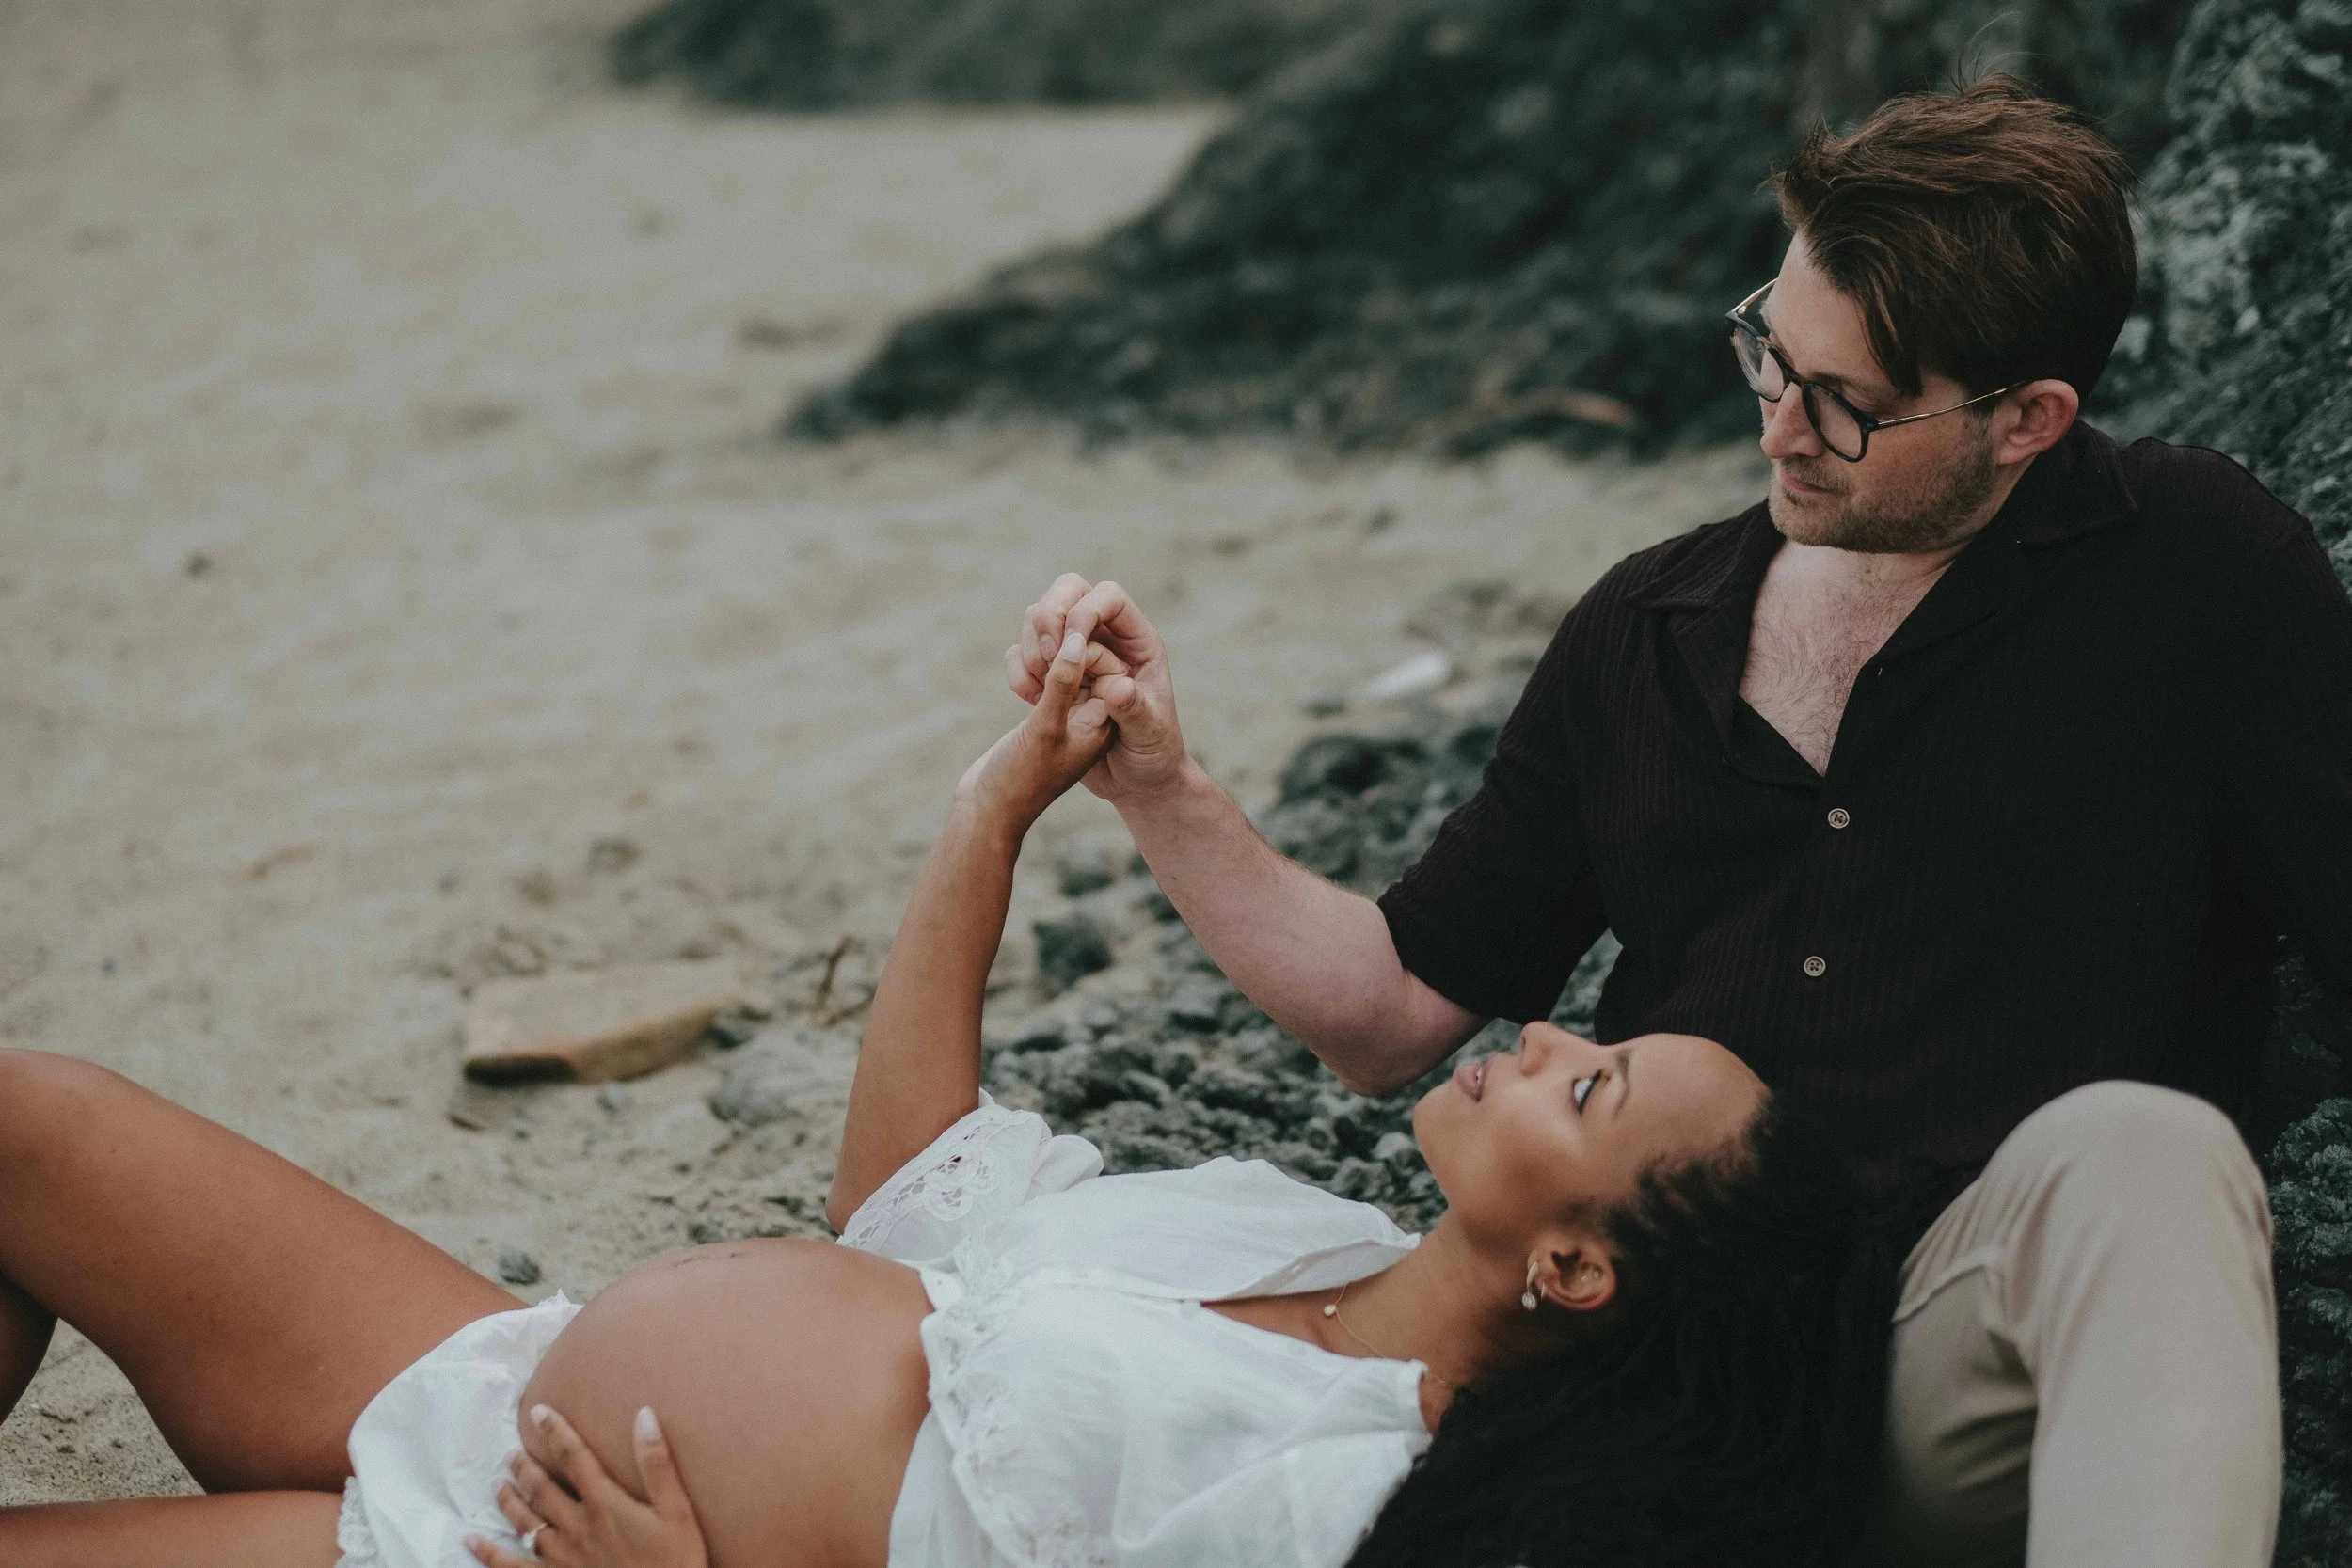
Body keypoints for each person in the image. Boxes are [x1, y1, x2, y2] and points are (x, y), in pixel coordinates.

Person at [1008, 80, 2350, 1568]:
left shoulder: (2201, 578)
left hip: (1947, 1354)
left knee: (2141, 1151)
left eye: (1845, 403)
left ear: (2029, 418)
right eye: (1772, 353)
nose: (1779, 426)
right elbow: (1391, 1010)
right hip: (1638, 1395)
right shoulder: (1648, 628)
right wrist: (1163, 789)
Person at [0, 637, 1892, 1568]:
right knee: (34, 1117)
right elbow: (916, 1194)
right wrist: (995, 810)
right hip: (489, 1368)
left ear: (1574, 1263)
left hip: (503, 1546)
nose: (1546, 1034)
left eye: (1596, 1079)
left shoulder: (1348, 1501)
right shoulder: (1306, 1235)